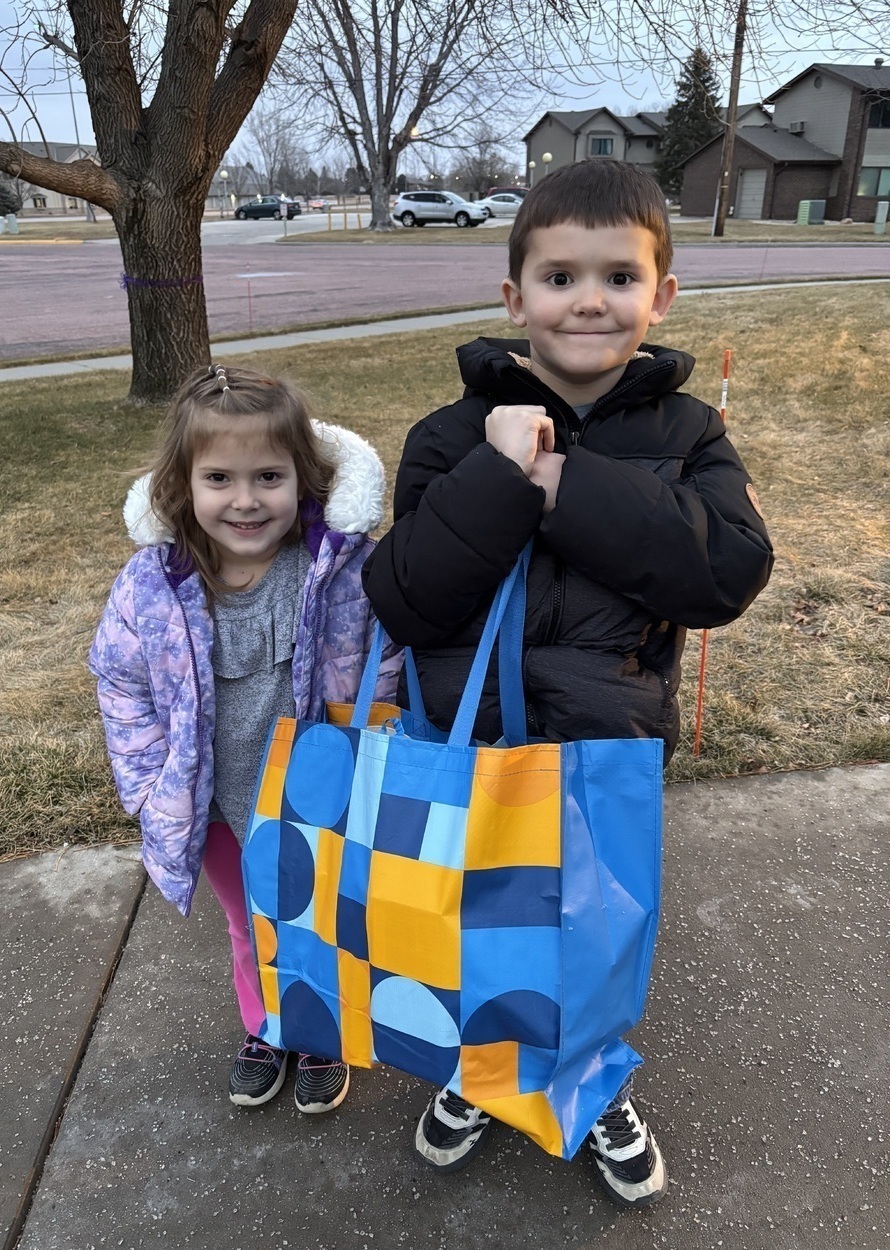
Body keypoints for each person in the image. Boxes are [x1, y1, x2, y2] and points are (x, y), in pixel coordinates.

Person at [362, 160, 774, 1207]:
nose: (587, 299)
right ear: (512, 299)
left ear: (660, 295)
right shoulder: (450, 436)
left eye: (616, 276)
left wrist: (563, 481)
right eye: (557, 276)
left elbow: (723, 572)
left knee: (592, 937)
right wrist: (496, 474)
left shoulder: (687, 435)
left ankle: (588, 1082)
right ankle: (479, 1072)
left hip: (603, 748)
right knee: (467, 924)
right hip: (473, 743)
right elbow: (403, 597)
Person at [90, 364, 401, 1117]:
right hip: (219, 806)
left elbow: (381, 668)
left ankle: (321, 1032)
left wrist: (374, 764)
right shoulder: (152, 586)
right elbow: (120, 682)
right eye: (219, 477)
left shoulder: (337, 574)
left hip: (319, 800)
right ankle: (266, 1028)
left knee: (323, 920)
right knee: (246, 923)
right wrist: (146, 784)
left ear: (306, 477)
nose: (245, 499)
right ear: (181, 485)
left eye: (268, 475)